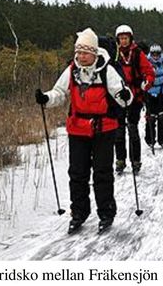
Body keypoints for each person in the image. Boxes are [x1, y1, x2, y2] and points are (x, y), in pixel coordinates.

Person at [35, 28, 131, 235]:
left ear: (94, 53)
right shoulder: (72, 69)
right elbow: (59, 92)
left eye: (84, 52)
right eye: (78, 52)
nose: (80, 56)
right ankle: (79, 212)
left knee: (102, 173)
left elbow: (124, 96)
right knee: (77, 173)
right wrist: (46, 99)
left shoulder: (107, 69)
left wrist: (125, 95)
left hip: (104, 128)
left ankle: (106, 212)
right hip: (78, 129)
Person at [110, 24, 153, 175]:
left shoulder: (137, 53)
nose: (123, 41)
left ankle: (135, 161)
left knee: (133, 130)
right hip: (119, 97)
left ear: (130, 38)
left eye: (125, 38)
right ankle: (120, 160)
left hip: (135, 97)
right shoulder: (114, 53)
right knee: (119, 131)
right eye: (121, 38)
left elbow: (148, 71)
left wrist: (146, 83)